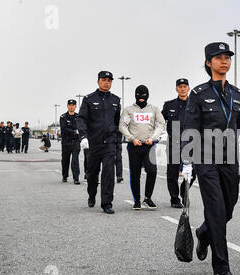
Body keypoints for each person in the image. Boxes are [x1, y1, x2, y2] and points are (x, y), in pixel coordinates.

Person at [181, 42, 240, 275]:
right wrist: (187, 162)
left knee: (228, 207)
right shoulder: (199, 94)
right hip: (205, 159)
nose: (224, 61)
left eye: (227, 57)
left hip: (230, 159)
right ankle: (221, 265)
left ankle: (204, 232)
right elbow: (189, 128)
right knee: (216, 210)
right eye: (218, 58)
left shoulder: (237, 94)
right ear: (209, 63)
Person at [77, 71, 121, 215]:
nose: (106, 82)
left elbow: (116, 122)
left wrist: (116, 140)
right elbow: (82, 118)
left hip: (109, 143)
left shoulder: (115, 100)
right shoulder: (89, 99)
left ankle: (107, 203)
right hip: (93, 143)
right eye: (104, 80)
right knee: (92, 173)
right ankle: (91, 194)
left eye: (109, 80)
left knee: (108, 173)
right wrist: (83, 136)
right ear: (98, 81)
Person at [119, 85, 165, 210]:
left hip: (149, 145)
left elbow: (161, 124)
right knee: (135, 174)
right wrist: (131, 138)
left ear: (147, 95)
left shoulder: (154, 109)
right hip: (134, 146)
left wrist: (154, 137)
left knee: (152, 171)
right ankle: (137, 200)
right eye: (139, 95)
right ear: (135, 95)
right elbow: (122, 126)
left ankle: (148, 197)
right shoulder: (129, 110)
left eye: (144, 95)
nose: (141, 98)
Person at [162, 78, 193, 208]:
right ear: (176, 89)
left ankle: (184, 191)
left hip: (190, 144)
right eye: (180, 86)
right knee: (172, 173)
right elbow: (159, 121)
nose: (182, 88)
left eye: (185, 86)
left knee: (193, 172)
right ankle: (174, 198)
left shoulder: (194, 105)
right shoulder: (169, 106)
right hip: (173, 144)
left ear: (188, 88)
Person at [60, 99, 81, 185]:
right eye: (70, 105)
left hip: (76, 142)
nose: (71, 107)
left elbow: (81, 127)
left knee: (75, 160)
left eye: (73, 105)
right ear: (67, 106)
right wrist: (75, 131)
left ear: (75, 106)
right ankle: (65, 175)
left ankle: (76, 178)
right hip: (66, 142)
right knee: (65, 160)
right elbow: (64, 129)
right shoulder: (63, 117)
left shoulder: (79, 116)